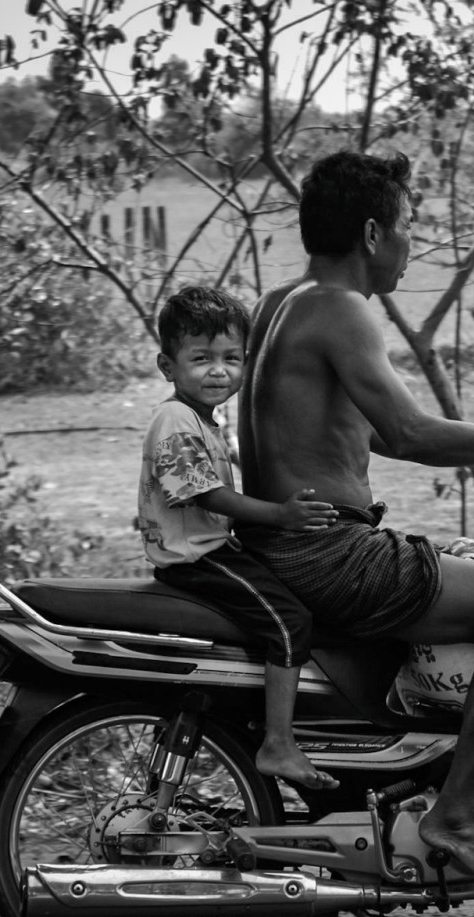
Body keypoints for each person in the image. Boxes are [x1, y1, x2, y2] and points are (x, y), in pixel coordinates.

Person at [236, 151, 474, 900]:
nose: (412, 245)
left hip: (284, 542)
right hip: (327, 552)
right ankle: (459, 812)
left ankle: (413, 776)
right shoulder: (341, 310)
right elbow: (407, 434)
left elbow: (346, 431)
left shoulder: (281, 302)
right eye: (408, 228)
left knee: (467, 571)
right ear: (373, 232)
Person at [139, 285, 341, 791]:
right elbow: (205, 495)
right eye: (201, 358)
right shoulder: (175, 417)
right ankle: (278, 742)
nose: (218, 371)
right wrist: (281, 515)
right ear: (168, 366)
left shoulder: (206, 420)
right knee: (290, 622)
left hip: (208, 549)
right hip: (197, 558)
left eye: (231, 359)